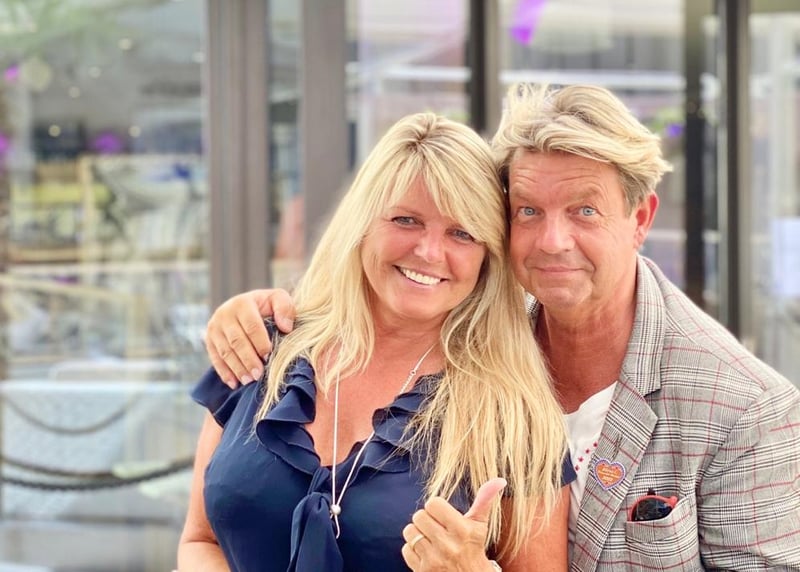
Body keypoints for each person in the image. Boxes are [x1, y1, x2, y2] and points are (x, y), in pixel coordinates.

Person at [203, 83, 800, 571]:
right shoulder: (477, 340)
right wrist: (262, 314)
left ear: (640, 218)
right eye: (529, 211)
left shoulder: (747, 410)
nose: (553, 241)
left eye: (585, 210)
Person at [178, 112, 575, 572]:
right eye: (406, 220)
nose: (429, 252)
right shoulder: (260, 347)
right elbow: (200, 541)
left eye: (462, 233)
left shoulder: (516, 416)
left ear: (488, 256)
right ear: (364, 223)